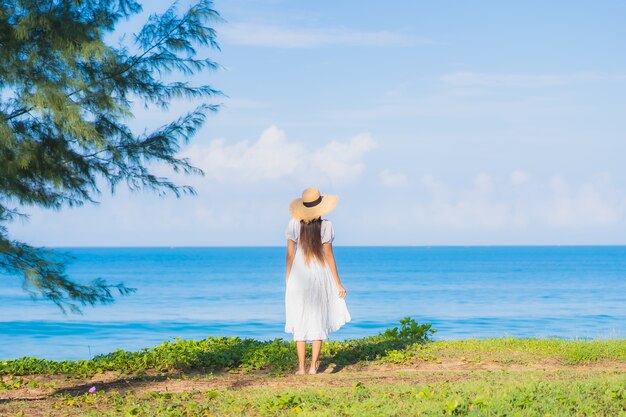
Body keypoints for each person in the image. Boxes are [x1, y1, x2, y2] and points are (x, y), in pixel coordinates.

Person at [285, 187, 351, 375]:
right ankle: (314, 367)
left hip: (298, 275)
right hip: (319, 273)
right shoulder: (326, 226)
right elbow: (329, 256)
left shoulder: (293, 224)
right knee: (316, 319)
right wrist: (338, 282)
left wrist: (288, 277)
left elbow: (290, 255)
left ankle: (301, 368)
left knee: (299, 317)